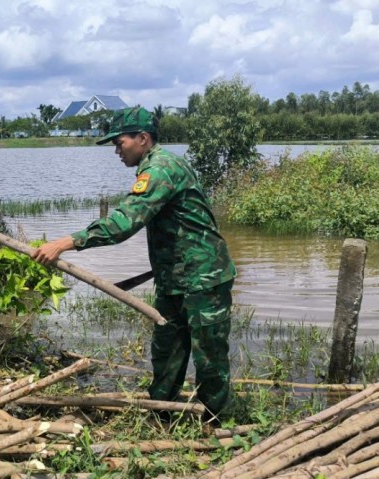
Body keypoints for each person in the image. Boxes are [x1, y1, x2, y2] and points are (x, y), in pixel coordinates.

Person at [30, 107, 237, 420]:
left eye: (120, 142)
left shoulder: (161, 169)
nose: (116, 150)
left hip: (204, 278)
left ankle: (220, 423)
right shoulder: (155, 167)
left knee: (210, 359)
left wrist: (64, 243)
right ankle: (160, 416)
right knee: (167, 352)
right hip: (175, 279)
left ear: (143, 139)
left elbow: (123, 222)